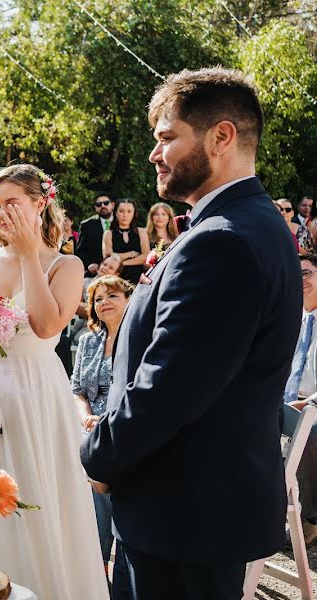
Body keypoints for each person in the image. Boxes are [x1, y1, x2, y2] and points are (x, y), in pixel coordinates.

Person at [81, 67, 301, 600]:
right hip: (192, 510)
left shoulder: (223, 240)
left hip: (183, 513)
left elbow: (171, 387)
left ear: (221, 137)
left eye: (166, 137)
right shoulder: (245, 224)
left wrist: (100, 456)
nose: (155, 154)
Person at [0, 163, 107, 599]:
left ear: (40, 204)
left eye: (12, 204)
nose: (0, 214)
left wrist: (28, 253)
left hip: (36, 398)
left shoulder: (66, 265)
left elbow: (45, 323)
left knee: (38, 498)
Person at [71, 275, 133, 574]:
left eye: (113, 296)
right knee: (88, 495)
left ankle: (120, 565)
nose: (104, 302)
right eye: (98, 299)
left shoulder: (139, 338)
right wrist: (85, 417)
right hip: (90, 429)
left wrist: (106, 422)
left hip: (124, 427)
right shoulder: (88, 340)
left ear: (128, 300)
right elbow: (78, 390)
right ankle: (95, 570)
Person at [281, 253, 317, 548]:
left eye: (307, 274)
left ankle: (310, 519)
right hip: (286, 403)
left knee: (309, 430)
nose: (301, 281)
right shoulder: (292, 321)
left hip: (313, 406)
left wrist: (307, 405)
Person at [102, 198, 149, 283]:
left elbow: (145, 257)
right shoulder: (108, 234)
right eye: (121, 211)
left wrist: (121, 263)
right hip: (115, 279)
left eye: (129, 211)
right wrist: (131, 254)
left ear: (134, 213)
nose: (125, 215)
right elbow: (109, 256)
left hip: (138, 278)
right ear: (115, 213)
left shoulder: (141, 232)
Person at [74, 194, 113, 275]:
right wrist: (89, 264)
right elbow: (80, 251)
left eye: (106, 203)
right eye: (99, 204)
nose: (102, 206)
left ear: (112, 205)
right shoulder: (86, 225)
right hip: (95, 272)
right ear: (95, 208)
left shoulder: (122, 222)